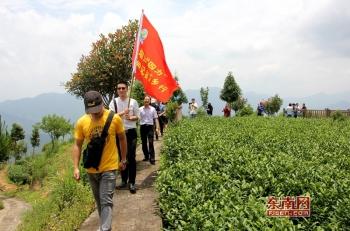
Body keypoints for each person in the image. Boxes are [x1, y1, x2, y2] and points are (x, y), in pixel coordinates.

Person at [72, 90, 127, 231]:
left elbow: (122, 139)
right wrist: (76, 167)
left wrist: (123, 158)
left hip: (109, 167)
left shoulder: (114, 118)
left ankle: (104, 229)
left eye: (97, 109)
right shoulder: (81, 122)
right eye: (92, 111)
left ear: (102, 103)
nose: (95, 113)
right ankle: (105, 226)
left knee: (106, 201)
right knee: (99, 202)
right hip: (92, 168)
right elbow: (77, 145)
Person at [108, 81, 139, 194]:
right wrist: (122, 113)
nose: (121, 90)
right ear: (117, 90)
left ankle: (132, 182)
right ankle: (123, 181)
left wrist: (131, 117)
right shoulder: (113, 102)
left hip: (130, 132)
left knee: (131, 157)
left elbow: (138, 117)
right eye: (119, 88)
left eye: (123, 88)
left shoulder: (133, 102)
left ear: (127, 89)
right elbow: (110, 117)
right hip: (118, 133)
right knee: (121, 157)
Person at [139, 96, 159, 165]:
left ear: (150, 101)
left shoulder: (153, 109)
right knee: (144, 143)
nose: (146, 101)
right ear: (143, 100)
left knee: (151, 142)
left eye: (148, 100)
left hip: (150, 127)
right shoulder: (140, 109)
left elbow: (156, 119)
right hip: (142, 127)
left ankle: (152, 158)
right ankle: (146, 156)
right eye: (145, 99)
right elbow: (137, 117)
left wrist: (157, 128)